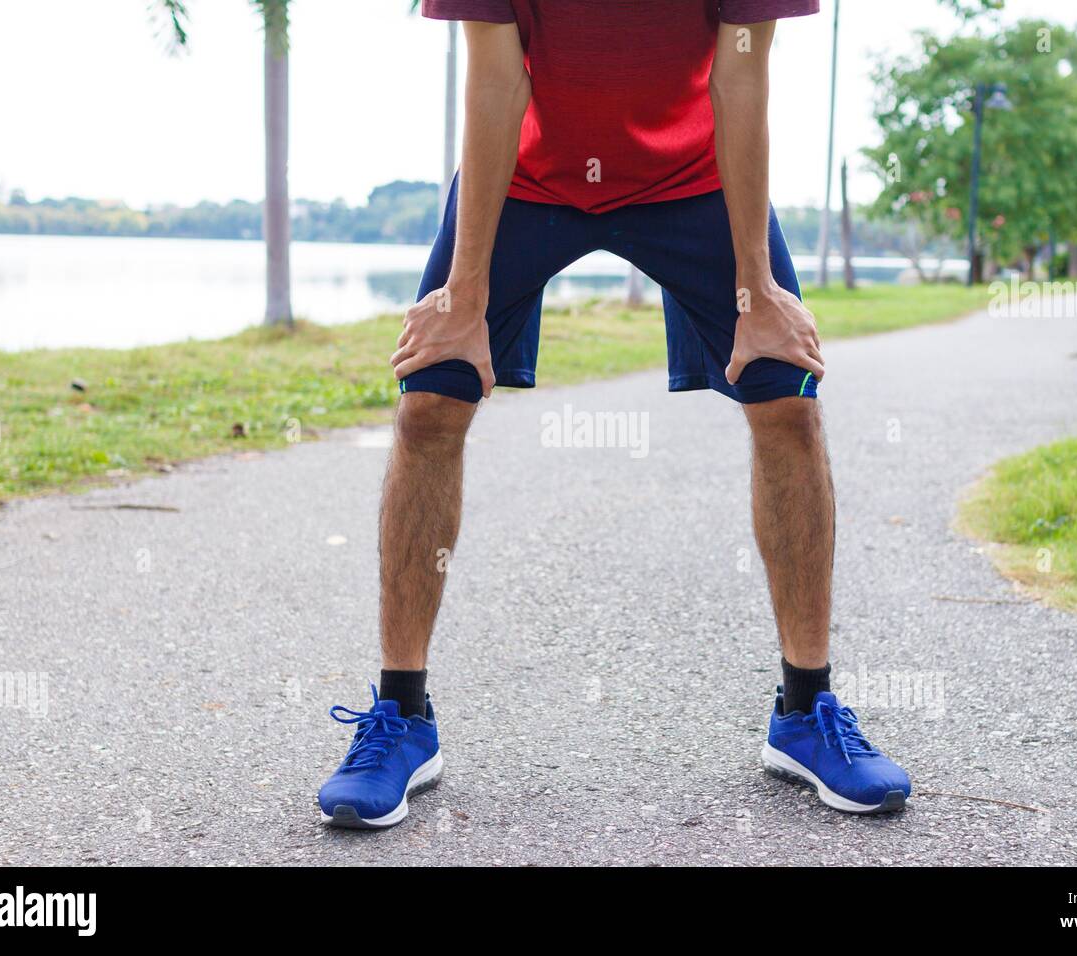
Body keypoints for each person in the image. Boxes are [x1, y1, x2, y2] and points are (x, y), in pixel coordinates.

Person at [317, 0, 910, 830]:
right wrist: (466, 292)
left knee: (787, 403)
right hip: (523, 182)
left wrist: (756, 286)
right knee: (429, 406)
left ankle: (805, 713)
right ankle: (402, 717)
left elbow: (741, 74)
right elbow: (495, 79)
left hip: (697, 180)